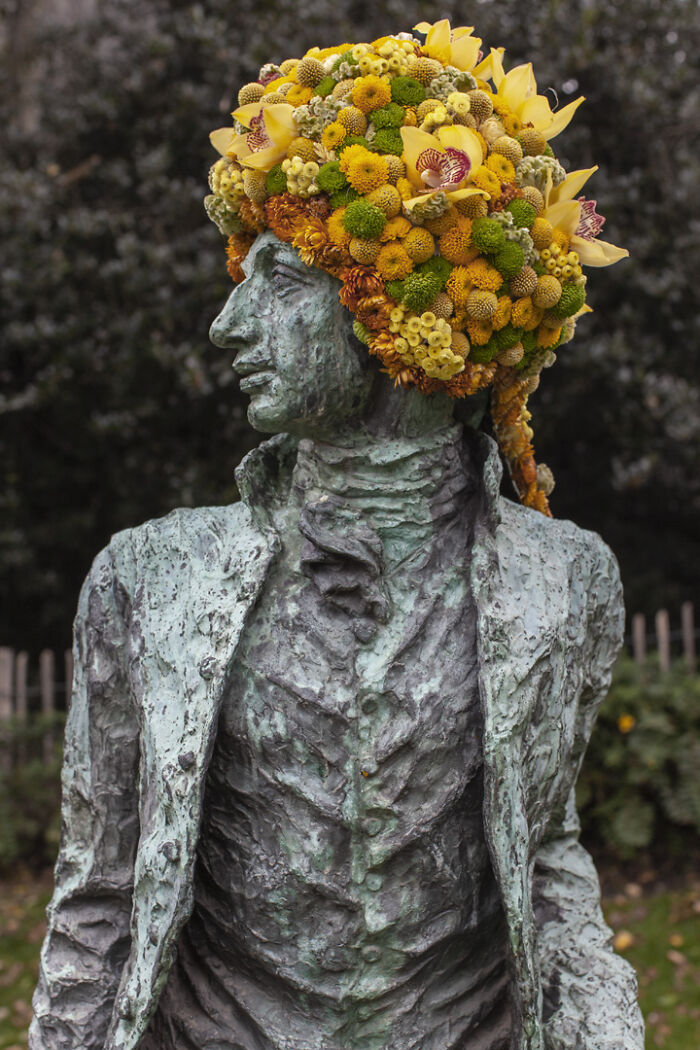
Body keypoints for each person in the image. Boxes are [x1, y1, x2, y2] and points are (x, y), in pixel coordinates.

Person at [30, 230, 642, 1050]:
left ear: (401, 313)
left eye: (282, 282)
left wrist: (604, 1023)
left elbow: (543, 847)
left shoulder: (564, 580)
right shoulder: (148, 579)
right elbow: (98, 892)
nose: (228, 323)